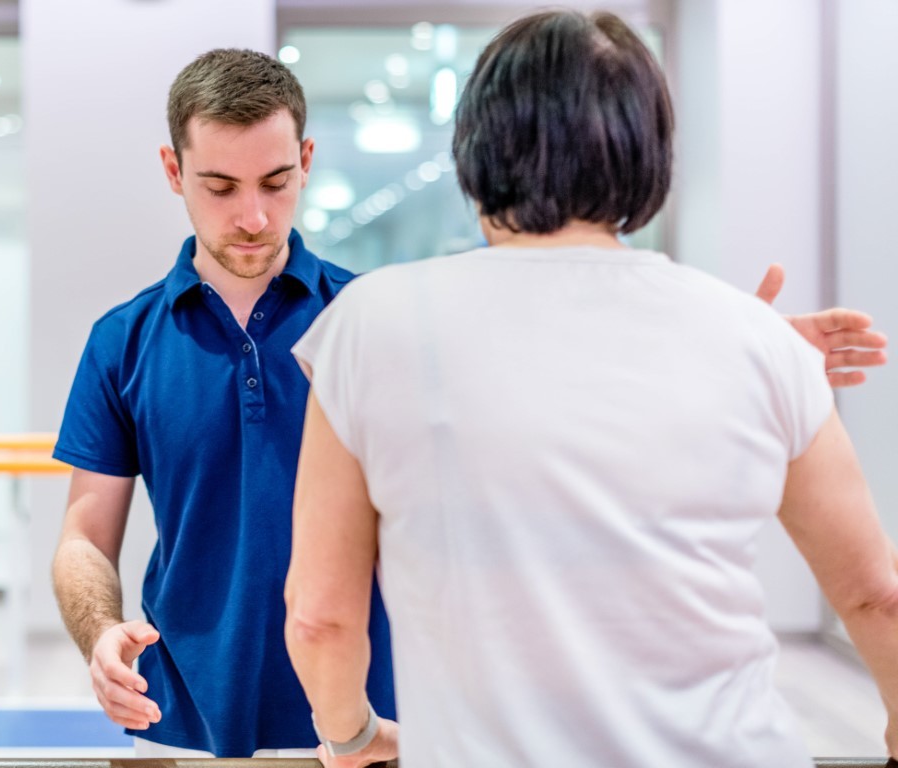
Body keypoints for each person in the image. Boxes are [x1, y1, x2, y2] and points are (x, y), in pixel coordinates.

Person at [284, 10, 896, 768]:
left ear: (474, 147)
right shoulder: (757, 338)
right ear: (650, 155)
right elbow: (877, 594)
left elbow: (320, 617)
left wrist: (351, 735)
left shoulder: (368, 325)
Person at [49, 48, 396, 757]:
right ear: (174, 172)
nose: (254, 216)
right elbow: (84, 538)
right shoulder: (121, 341)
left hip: (362, 723)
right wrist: (100, 632)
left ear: (305, 160)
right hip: (172, 721)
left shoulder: (372, 321)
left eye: (276, 182)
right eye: (220, 187)